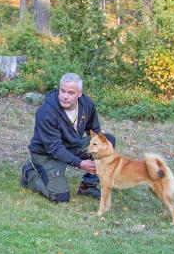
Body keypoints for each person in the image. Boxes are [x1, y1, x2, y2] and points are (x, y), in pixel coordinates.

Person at [21, 73, 116, 202]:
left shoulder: (87, 104)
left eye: (71, 93)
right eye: (62, 91)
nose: (65, 96)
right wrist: (80, 163)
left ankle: (88, 185)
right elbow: (54, 148)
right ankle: (29, 174)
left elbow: (93, 131)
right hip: (46, 154)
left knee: (107, 142)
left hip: (72, 146)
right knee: (60, 197)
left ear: (79, 93)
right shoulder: (46, 112)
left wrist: (100, 151)